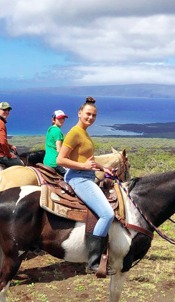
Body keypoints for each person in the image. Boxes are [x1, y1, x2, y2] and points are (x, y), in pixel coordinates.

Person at [56, 97, 116, 277]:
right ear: (79, 113)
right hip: (78, 179)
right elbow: (61, 159)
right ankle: (94, 260)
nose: (91, 117)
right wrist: (84, 167)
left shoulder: (85, 132)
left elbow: (86, 160)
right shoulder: (75, 132)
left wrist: (103, 168)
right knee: (107, 214)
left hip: (87, 176)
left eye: (94, 115)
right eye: (88, 114)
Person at [0, 102, 24, 167]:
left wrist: (10, 146)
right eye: (4, 110)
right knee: (21, 165)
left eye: (8, 110)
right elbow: (3, 142)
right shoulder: (0, 124)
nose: (7, 112)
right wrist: (9, 154)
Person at [43, 110, 68, 176]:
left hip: (47, 161)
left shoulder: (50, 129)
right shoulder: (57, 131)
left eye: (63, 118)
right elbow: (59, 150)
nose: (62, 120)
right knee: (72, 176)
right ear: (53, 120)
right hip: (55, 162)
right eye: (59, 118)